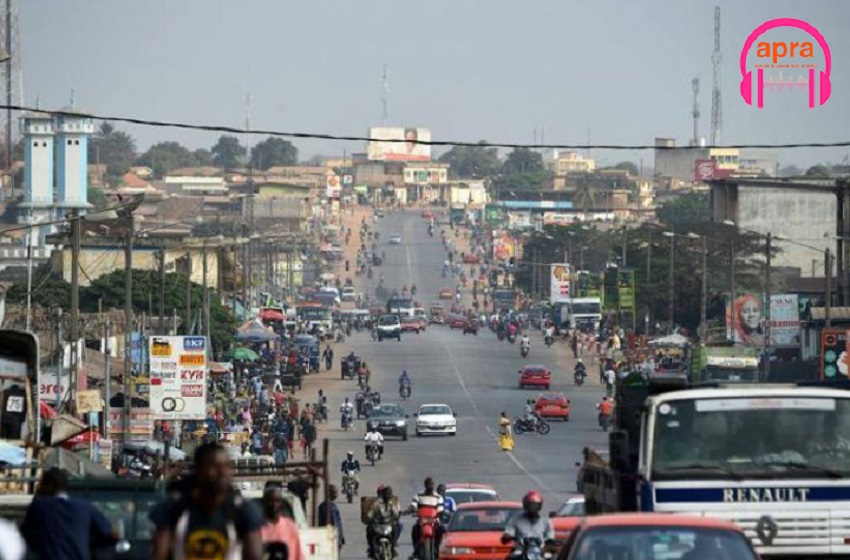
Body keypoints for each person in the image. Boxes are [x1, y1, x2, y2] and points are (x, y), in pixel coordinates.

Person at [150, 442, 265, 560]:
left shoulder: (243, 510)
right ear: (198, 471)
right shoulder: (173, 508)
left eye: (226, 466)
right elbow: (160, 553)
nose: (222, 473)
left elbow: (254, 555)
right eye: (215, 467)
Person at [22, 467, 118, 560]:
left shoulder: (40, 506)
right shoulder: (85, 507)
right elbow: (111, 534)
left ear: (49, 485)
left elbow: (26, 534)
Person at [501, 491, 554, 558]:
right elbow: (509, 532)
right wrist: (507, 536)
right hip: (520, 550)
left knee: (550, 557)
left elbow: (550, 537)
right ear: (525, 505)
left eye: (535, 505)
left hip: (540, 551)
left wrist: (550, 543)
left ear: (539, 506)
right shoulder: (515, 520)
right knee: (511, 557)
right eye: (530, 505)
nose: (532, 508)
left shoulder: (546, 521)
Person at [260, 485, 306, 560]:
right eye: (270, 501)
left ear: (281, 503)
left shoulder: (290, 527)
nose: (274, 505)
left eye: (277, 501)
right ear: (264, 503)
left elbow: (299, 555)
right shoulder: (255, 528)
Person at [407, 477, 445, 560]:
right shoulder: (419, 494)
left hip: (434, 520)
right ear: (425, 485)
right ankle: (416, 551)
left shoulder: (438, 497)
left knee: (442, 529)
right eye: (428, 484)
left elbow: (440, 509)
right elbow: (414, 503)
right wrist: (412, 508)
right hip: (422, 520)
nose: (429, 486)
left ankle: (439, 549)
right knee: (415, 530)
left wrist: (438, 514)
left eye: (431, 484)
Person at [365, 485, 401, 558]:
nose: (388, 496)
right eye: (386, 494)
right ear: (383, 494)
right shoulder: (377, 504)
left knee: (396, 528)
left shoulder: (392, 504)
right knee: (369, 530)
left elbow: (396, 514)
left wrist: (396, 517)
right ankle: (371, 548)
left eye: (389, 494)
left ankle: (393, 546)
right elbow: (370, 514)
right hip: (378, 525)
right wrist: (369, 518)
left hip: (388, 525)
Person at [318, 485, 345, 552]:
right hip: (332, 538)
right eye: (335, 492)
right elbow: (335, 524)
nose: (337, 494)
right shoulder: (332, 508)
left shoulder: (322, 506)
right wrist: (339, 539)